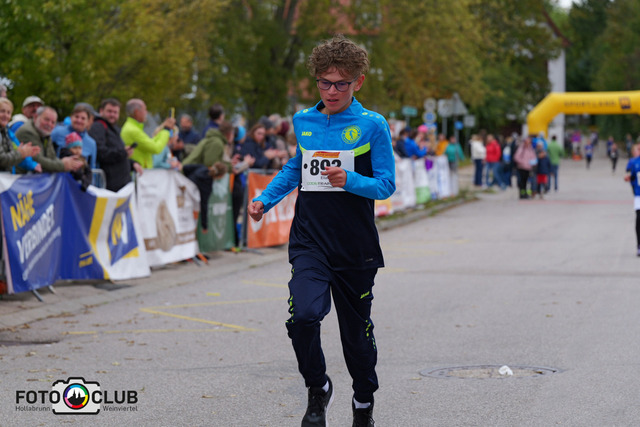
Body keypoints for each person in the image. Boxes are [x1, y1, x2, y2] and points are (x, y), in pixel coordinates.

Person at [247, 35, 395, 427]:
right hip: (310, 239)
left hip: (354, 245)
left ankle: (363, 401)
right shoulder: (303, 121)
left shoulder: (373, 125)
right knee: (303, 317)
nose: (331, 91)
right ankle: (318, 387)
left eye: (341, 84)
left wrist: (349, 180)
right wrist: (265, 199)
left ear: (358, 82)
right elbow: (296, 167)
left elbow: (385, 185)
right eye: (324, 83)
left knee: (356, 338)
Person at [183, 121, 234, 232]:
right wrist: (205, 226)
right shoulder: (216, 143)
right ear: (229, 133)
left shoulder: (215, 140)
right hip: (187, 181)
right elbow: (210, 163)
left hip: (190, 176)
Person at [89, 98, 143, 192]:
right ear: (101, 111)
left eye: (115, 112)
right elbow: (101, 153)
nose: (112, 115)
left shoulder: (114, 129)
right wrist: (123, 152)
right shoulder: (98, 126)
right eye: (109, 111)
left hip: (122, 185)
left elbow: (116, 153)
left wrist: (132, 163)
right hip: (109, 187)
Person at [15, 106, 84, 173]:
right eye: (46, 120)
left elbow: (52, 157)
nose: (49, 124)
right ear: (36, 117)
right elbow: (38, 160)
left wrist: (66, 163)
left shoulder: (44, 132)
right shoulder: (28, 132)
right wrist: (63, 165)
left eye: (53, 122)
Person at [120, 98, 175, 169]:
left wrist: (164, 129)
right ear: (137, 112)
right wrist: (166, 129)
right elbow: (156, 148)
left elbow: (151, 143)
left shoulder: (132, 127)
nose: (146, 112)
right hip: (138, 172)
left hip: (139, 171)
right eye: (145, 110)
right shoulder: (132, 130)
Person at [51, 103, 98, 169]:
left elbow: (92, 168)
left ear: (88, 121)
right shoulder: (57, 132)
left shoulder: (91, 143)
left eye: (83, 118)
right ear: (71, 117)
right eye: (76, 117)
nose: (79, 120)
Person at [0, 97, 41, 172]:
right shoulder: (19, 125)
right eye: (2, 111)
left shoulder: (6, 131)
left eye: (8, 112)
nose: (5, 115)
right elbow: (3, 159)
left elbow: (15, 151)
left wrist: (26, 154)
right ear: (23, 109)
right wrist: (21, 154)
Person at [624, 143, 640, 256]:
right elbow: (631, 175)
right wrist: (628, 177)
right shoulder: (634, 162)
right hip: (639, 195)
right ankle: (639, 245)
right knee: (639, 219)